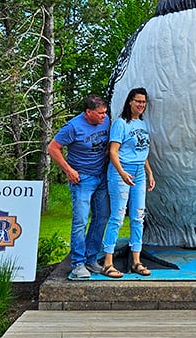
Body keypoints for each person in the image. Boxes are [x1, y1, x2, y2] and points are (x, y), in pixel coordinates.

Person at [47, 94, 110, 280]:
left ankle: (91, 258)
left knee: (102, 217)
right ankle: (78, 264)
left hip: (101, 177)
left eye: (105, 113)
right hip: (82, 179)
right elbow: (52, 148)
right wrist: (68, 170)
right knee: (81, 220)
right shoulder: (73, 127)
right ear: (88, 112)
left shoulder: (106, 121)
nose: (103, 116)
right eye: (100, 113)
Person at [102, 87, 156, 278]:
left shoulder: (142, 125)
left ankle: (136, 260)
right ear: (130, 102)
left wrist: (149, 173)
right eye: (137, 101)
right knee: (117, 216)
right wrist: (122, 172)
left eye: (143, 102)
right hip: (121, 172)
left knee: (138, 216)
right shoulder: (120, 123)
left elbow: (143, 152)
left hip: (139, 172)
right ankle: (108, 262)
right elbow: (113, 151)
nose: (141, 105)